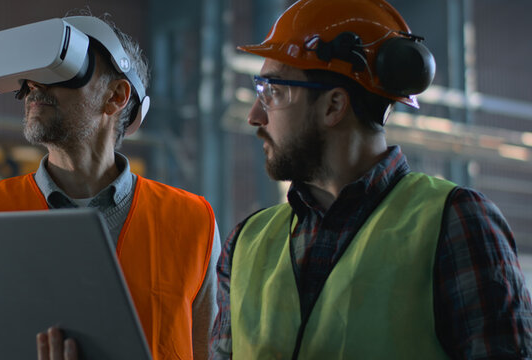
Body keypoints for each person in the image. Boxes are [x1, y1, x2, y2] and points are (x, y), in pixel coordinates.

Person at [210, 0, 532, 358]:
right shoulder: (246, 243)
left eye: (273, 93)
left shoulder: (455, 223)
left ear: (334, 105)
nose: (255, 116)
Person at [0, 14, 220, 360]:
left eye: (60, 69)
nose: (35, 85)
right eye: (32, 74)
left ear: (116, 96)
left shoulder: (192, 223)